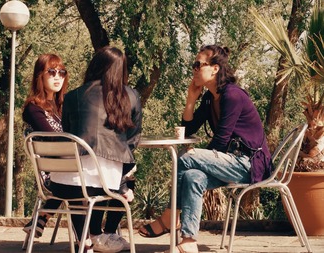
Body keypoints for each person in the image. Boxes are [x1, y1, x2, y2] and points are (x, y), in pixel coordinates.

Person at [138, 45, 272, 253]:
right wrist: (191, 98)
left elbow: (220, 141)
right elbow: (189, 128)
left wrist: (197, 157)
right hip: (227, 162)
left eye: (198, 65)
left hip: (248, 163)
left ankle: (169, 216)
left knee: (186, 157)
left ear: (215, 69)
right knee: (192, 176)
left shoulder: (232, 95)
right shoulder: (210, 98)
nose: (194, 69)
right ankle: (189, 240)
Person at [49, 46, 142, 253]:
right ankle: (101, 235)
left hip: (61, 184)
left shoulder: (72, 96)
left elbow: (68, 132)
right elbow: (133, 140)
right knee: (122, 182)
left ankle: (86, 242)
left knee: (77, 190)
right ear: (122, 70)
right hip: (105, 184)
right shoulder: (132, 96)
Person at [22, 53, 68, 238]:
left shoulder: (64, 106)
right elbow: (53, 140)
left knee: (121, 174)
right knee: (86, 178)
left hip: (69, 165)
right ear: (40, 75)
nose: (58, 77)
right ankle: (91, 236)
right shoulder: (33, 108)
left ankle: (42, 217)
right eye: (52, 72)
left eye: (61, 72)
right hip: (51, 172)